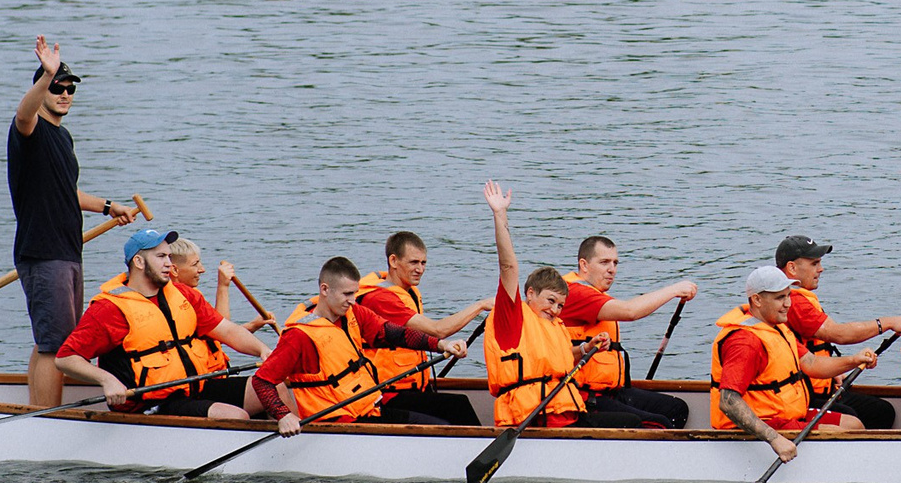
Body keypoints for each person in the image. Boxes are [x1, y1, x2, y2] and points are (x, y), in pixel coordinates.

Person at [10, 36, 137, 408]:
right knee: (60, 346)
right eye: (56, 88)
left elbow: (67, 191)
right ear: (42, 90)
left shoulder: (62, 137)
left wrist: (107, 206)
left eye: (69, 89)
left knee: (48, 340)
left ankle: (37, 409)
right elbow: (23, 115)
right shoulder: (29, 132)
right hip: (44, 252)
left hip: (67, 251)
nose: (64, 94)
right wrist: (45, 75)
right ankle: (48, 420)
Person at [481, 182, 656, 429]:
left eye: (560, 305)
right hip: (533, 419)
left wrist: (586, 348)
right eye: (550, 302)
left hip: (565, 411)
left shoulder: (554, 325)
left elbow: (558, 360)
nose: (554, 310)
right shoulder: (512, 318)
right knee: (633, 423)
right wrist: (500, 214)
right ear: (530, 294)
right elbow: (508, 267)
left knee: (631, 420)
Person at [52, 226, 270, 416]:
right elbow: (66, 359)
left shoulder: (183, 294)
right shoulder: (109, 309)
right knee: (234, 415)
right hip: (150, 401)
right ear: (138, 261)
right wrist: (107, 380)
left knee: (271, 387)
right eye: (160, 257)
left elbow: (228, 331)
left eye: (168, 256)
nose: (168, 263)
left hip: (195, 387)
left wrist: (264, 351)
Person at [253, 256, 469, 434]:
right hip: (338, 425)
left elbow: (395, 334)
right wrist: (284, 415)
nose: (352, 300)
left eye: (355, 293)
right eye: (347, 294)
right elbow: (262, 380)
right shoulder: (299, 336)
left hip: (369, 410)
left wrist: (441, 345)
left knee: (453, 414)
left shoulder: (353, 313)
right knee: (443, 428)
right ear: (325, 289)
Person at [711, 266, 882, 463]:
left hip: (784, 416)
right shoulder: (745, 342)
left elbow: (811, 363)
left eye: (788, 296)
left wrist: (854, 360)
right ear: (757, 300)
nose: (787, 304)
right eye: (779, 298)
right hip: (760, 424)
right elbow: (728, 402)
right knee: (843, 433)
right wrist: (775, 439)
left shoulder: (777, 327)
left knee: (854, 425)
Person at [348, 231, 493, 427]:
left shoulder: (408, 291)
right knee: (459, 406)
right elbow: (437, 330)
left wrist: (443, 346)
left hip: (412, 388)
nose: (420, 269)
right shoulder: (380, 299)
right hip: (387, 394)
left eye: (423, 263)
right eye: (414, 262)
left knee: (456, 406)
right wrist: (481, 305)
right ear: (393, 261)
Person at [773, 235, 901, 430]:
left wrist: (833, 372)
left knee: (882, 411)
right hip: (804, 394)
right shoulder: (795, 302)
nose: (820, 269)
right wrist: (886, 324)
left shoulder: (798, 298)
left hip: (820, 384)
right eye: (814, 263)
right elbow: (838, 334)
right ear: (792, 268)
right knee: (852, 417)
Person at [559, 235, 697, 428]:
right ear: (584, 265)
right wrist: (674, 290)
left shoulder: (596, 293)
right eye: (604, 262)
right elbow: (630, 311)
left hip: (610, 390)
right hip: (583, 395)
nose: (611, 269)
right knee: (661, 423)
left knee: (677, 408)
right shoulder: (575, 293)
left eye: (615, 263)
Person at [97, 237, 262, 372]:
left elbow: (222, 331)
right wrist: (223, 286)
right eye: (195, 264)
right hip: (174, 386)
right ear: (174, 270)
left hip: (207, 376)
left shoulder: (188, 297)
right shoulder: (121, 305)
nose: (202, 269)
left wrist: (254, 330)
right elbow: (218, 335)